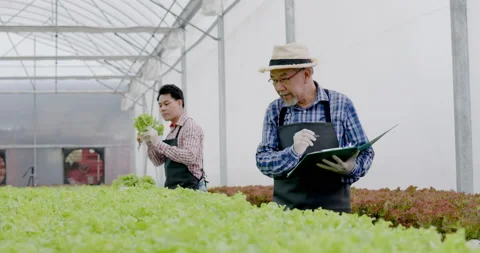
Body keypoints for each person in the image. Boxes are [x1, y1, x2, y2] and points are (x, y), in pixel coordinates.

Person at [255, 43, 375, 213]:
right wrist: (293, 152)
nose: (279, 88)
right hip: (286, 213)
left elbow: (366, 152)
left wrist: (351, 168)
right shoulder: (275, 110)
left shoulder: (340, 104)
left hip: (334, 213)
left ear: (306, 74)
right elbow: (263, 161)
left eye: (284, 79)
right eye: (274, 81)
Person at [139, 84, 208, 192]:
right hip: (175, 189)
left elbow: (189, 156)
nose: (162, 109)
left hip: (192, 189)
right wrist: (150, 142)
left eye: (166, 104)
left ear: (179, 103)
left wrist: (158, 143)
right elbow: (158, 161)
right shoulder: (172, 132)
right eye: (160, 105)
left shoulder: (189, 126)